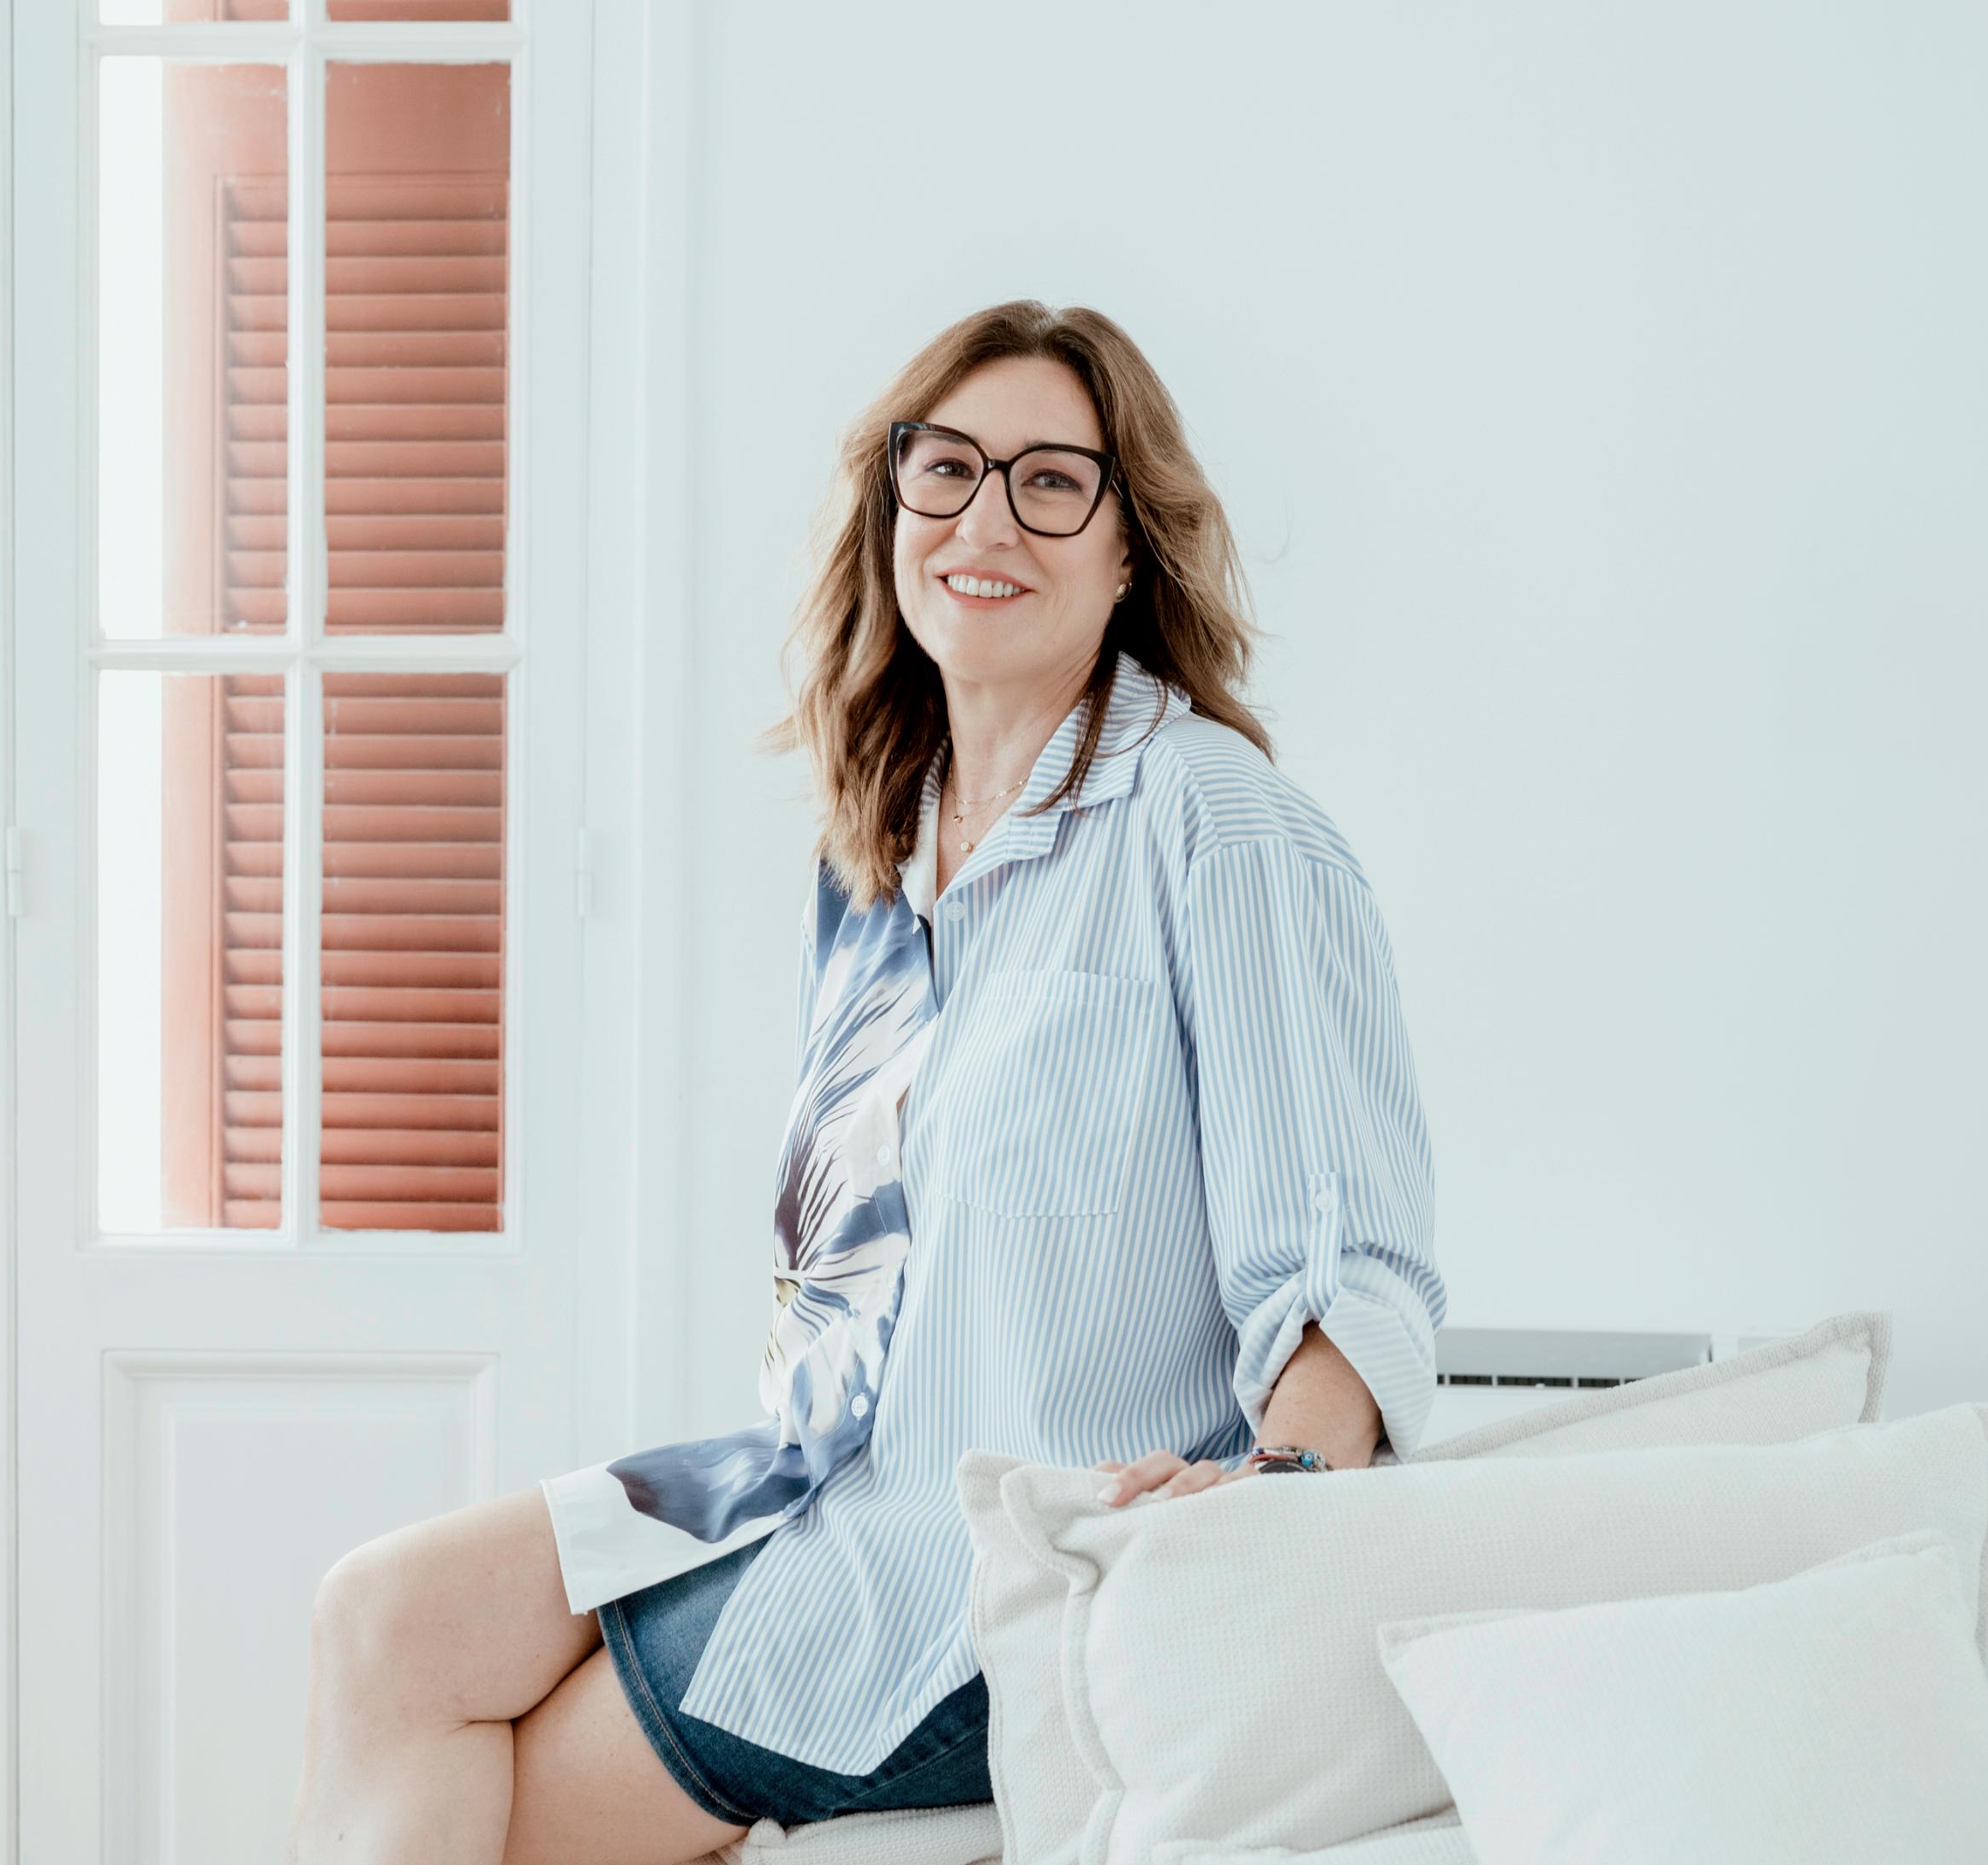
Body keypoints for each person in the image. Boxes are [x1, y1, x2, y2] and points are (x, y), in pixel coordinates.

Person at [289, 300, 1450, 1865]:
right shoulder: (874, 856)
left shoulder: (1218, 826)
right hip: (811, 1483)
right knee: (379, 1616)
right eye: (946, 467)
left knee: (503, 1825)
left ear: (1130, 548)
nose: (987, 519)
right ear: (890, 504)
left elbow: (1341, 1258)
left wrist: (1274, 1495)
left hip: (990, 1559)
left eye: (1052, 481)